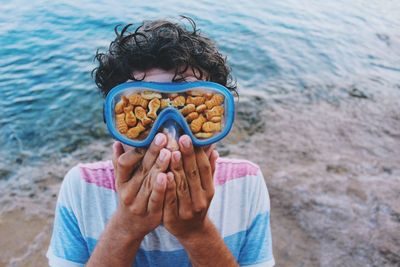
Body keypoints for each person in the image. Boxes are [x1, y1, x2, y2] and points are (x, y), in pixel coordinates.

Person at [47, 17, 275, 267]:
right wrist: (126, 227)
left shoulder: (246, 184)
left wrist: (196, 233)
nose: (168, 140)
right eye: (141, 108)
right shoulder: (82, 189)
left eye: (191, 108)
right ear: (112, 122)